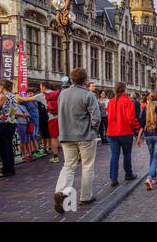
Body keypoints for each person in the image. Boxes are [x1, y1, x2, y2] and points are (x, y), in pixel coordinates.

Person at [53, 68, 101, 213]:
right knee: (87, 166)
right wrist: (93, 130)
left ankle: (61, 191)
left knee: (69, 166)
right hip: (85, 136)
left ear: (72, 80)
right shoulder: (88, 95)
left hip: (67, 136)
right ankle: (85, 196)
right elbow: (96, 117)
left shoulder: (63, 94)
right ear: (85, 80)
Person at [106, 82, 140, 187]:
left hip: (111, 133)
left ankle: (113, 178)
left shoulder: (110, 102)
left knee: (114, 155)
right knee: (127, 154)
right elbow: (131, 118)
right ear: (124, 89)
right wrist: (137, 127)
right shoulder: (127, 101)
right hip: (124, 132)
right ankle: (128, 174)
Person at [18, 82, 60, 163]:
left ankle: (55, 156)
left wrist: (17, 96)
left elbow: (27, 99)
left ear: (43, 87)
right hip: (61, 117)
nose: (40, 89)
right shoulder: (57, 93)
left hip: (52, 117)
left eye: (41, 87)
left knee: (53, 138)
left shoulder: (42, 95)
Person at [0, 80, 17, 177]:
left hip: (2, 123)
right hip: (11, 123)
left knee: (3, 147)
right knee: (8, 146)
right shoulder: (13, 96)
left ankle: (6, 170)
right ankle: (11, 168)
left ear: (2, 87)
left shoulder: (3, 96)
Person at [23, 88, 44, 158]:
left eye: (31, 93)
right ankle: (33, 151)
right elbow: (19, 101)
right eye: (28, 93)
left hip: (36, 120)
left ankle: (36, 150)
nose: (30, 94)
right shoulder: (26, 101)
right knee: (32, 136)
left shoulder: (35, 100)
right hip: (31, 121)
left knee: (35, 136)